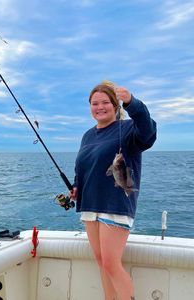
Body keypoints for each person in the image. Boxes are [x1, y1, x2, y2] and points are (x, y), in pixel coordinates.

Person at [69, 81, 157, 300]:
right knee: (101, 262)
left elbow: (148, 132)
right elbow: (83, 167)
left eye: (105, 102)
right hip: (90, 204)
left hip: (115, 203)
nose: (100, 107)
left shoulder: (127, 129)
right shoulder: (87, 135)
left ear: (115, 105)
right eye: (94, 103)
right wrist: (76, 186)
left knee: (110, 263)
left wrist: (132, 103)